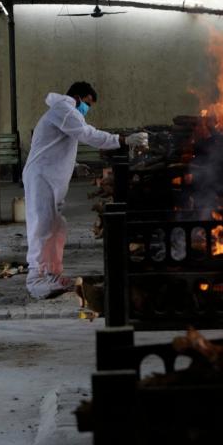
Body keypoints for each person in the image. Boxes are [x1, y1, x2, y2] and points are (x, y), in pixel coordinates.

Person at [23, 82, 148, 299]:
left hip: (51, 177)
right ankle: (35, 279)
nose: (87, 109)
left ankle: (52, 274)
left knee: (57, 227)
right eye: (88, 104)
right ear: (80, 97)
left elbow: (57, 144)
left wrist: (75, 164)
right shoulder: (64, 109)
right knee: (41, 226)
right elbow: (86, 133)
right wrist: (122, 140)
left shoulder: (65, 112)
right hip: (41, 177)